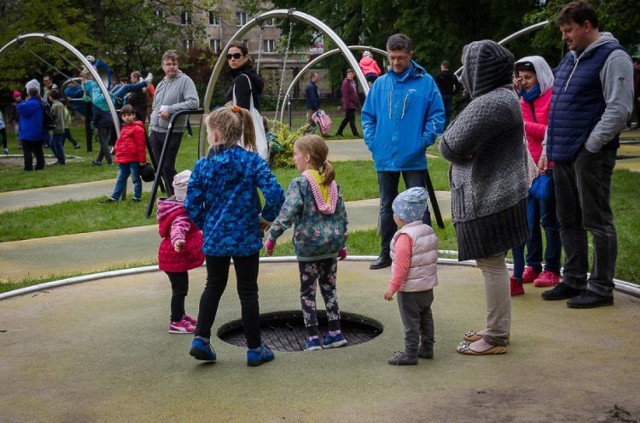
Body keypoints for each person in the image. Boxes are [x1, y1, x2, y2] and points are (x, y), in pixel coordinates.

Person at [539, 1, 633, 308]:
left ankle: (602, 287)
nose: (565, 37)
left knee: (597, 220)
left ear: (588, 25)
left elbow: (619, 108)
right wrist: (547, 147)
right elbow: (557, 108)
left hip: (589, 154)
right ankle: (574, 278)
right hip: (563, 152)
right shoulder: (570, 59)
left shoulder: (612, 57)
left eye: (569, 30)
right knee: (567, 219)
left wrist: (591, 145)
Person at [439, 39, 529, 355]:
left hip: (489, 197)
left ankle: (496, 337)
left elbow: (448, 145)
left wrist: (462, 150)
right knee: (492, 264)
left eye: (470, 67)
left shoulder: (489, 103)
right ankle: (495, 329)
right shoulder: (505, 98)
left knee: (491, 265)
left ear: (480, 70)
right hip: (499, 194)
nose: (465, 76)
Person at [184, 106, 285, 366]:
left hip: (216, 237)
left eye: (208, 131)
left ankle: (201, 339)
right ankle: (254, 349)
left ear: (216, 135)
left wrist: (206, 225)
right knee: (248, 291)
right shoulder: (251, 161)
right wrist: (265, 218)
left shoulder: (203, 166)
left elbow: (192, 205)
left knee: (213, 285)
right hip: (246, 236)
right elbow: (275, 193)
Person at [361, 33, 445, 270]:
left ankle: (424, 256)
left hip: (413, 156)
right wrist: (373, 142)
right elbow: (368, 116)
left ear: (410, 55)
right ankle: (386, 254)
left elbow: (437, 115)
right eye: (392, 58)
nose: (396, 63)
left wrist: (423, 140)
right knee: (387, 205)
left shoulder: (425, 82)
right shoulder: (380, 84)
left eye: (400, 58)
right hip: (385, 156)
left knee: (419, 206)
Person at [264, 135, 349, 352]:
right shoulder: (331, 183)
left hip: (309, 249)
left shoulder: (300, 183)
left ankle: (312, 338)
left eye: (296, 154)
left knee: (307, 292)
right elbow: (341, 215)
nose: (294, 158)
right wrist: (341, 243)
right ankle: (335, 332)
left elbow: (287, 213)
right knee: (330, 289)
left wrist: (272, 237)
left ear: (308, 157)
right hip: (330, 247)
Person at [509, 57, 561, 296]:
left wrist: (525, 125)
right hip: (528, 166)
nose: (525, 82)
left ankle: (552, 268)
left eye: (528, 78)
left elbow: (553, 130)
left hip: (549, 165)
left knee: (549, 220)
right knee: (529, 221)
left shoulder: (552, 97)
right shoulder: (521, 101)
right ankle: (533, 264)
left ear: (540, 76)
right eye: (521, 78)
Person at [383, 187, 438, 365]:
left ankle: (410, 353)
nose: (393, 215)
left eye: (395, 212)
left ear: (402, 217)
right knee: (425, 315)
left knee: (411, 321)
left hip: (410, 290)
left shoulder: (405, 237)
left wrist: (393, 287)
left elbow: (401, 266)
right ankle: (428, 347)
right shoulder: (427, 230)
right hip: (426, 286)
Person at [157, 169, 204, 334]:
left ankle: (181, 315)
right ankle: (176, 321)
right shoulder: (182, 213)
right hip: (173, 257)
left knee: (180, 288)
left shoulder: (177, 206)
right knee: (180, 290)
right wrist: (178, 240)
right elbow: (179, 227)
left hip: (172, 257)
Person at [149, 50, 199, 197]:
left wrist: (171, 110)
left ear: (178, 65)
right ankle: (171, 195)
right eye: (168, 64)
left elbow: (194, 102)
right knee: (159, 166)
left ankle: (177, 196)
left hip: (172, 130)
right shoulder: (161, 83)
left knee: (167, 165)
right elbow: (155, 106)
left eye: (174, 63)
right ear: (162, 66)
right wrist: (151, 126)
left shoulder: (185, 81)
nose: (171, 66)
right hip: (156, 129)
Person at [100, 105, 147, 202]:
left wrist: (142, 160)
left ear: (134, 115)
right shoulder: (122, 128)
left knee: (135, 178)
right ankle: (115, 197)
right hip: (124, 159)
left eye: (129, 115)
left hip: (133, 159)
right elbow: (120, 143)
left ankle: (137, 197)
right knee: (120, 179)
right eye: (124, 116)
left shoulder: (138, 129)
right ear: (121, 117)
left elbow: (141, 146)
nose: (127, 117)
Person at [17, 79, 49, 171]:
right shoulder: (41, 103)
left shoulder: (27, 104)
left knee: (27, 151)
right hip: (39, 131)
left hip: (27, 132)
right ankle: (40, 166)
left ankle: (28, 167)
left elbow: (19, 107)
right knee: (38, 150)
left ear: (28, 93)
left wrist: (25, 101)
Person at [83, 72, 115, 166]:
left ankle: (110, 162)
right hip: (109, 119)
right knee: (104, 141)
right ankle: (99, 160)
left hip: (102, 122)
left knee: (103, 142)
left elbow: (97, 113)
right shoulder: (102, 95)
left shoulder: (96, 100)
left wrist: (94, 122)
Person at [223, 41, 264, 112]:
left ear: (246, 57)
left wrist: (228, 108)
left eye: (237, 56)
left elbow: (242, 111)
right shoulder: (250, 76)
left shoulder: (242, 79)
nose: (232, 59)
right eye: (229, 56)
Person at [434, 60, 464, 129]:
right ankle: (446, 128)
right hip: (449, 96)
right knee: (448, 114)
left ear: (443, 66)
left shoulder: (439, 75)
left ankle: (439, 128)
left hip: (441, 96)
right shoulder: (452, 76)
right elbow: (458, 86)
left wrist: (437, 93)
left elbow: (433, 85)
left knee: (440, 112)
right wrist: (453, 93)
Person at [334, 69, 360, 138]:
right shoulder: (345, 83)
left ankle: (339, 132)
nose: (351, 75)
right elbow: (345, 95)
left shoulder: (353, 82)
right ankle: (356, 134)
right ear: (347, 75)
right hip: (349, 104)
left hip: (353, 104)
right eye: (349, 74)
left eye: (352, 74)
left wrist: (357, 103)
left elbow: (354, 93)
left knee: (347, 119)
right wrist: (346, 105)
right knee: (352, 120)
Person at [48, 89, 67, 165]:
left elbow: (53, 116)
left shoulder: (54, 106)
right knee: (52, 143)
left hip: (56, 128)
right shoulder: (61, 104)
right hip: (62, 126)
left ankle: (61, 160)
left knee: (57, 145)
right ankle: (59, 158)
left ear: (51, 97)